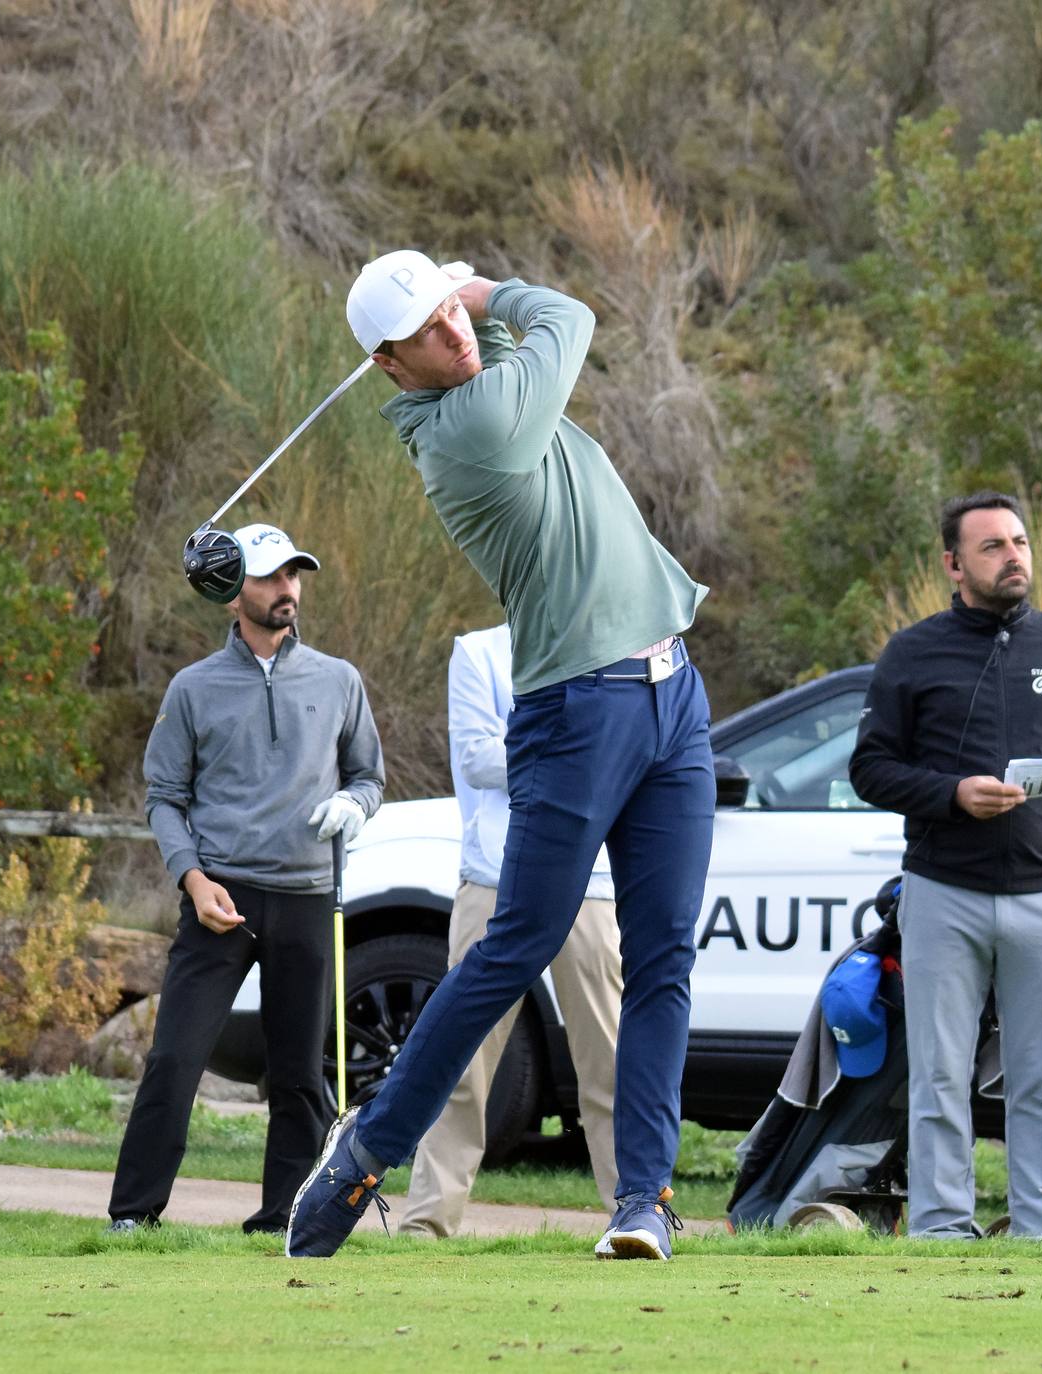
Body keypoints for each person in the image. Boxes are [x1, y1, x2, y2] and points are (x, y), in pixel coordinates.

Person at [287, 252, 711, 1261]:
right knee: (514, 949)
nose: (454, 333)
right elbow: (564, 312)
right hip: (578, 712)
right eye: (430, 330)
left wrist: (455, 301)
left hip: (673, 695)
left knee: (662, 957)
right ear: (391, 367)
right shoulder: (469, 432)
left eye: (451, 315)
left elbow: (529, 344)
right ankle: (365, 1153)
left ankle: (641, 1200)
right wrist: (477, 289)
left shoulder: (489, 390)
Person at [847, 491, 1042, 1239]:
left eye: (1020, 542)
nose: (1013, 557)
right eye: (993, 547)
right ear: (953, 564)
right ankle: (940, 1232)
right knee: (939, 1077)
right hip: (943, 893)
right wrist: (949, 794)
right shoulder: (913, 651)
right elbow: (869, 769)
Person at [108, 523, 384, 1234]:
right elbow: (164, 798)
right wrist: (193, 882)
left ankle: (284, 1218)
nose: (287, 589)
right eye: (270, 577)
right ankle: (134, 1215)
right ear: (235, 592)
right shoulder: (194, 688)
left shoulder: (338, 679)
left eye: (294, 575)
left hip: (307, 897)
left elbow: (368, 776)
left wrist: (354, 805)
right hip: (218, 896)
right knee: (175, 1058)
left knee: (297, 1076)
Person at [398, 624, 623, 1235]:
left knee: (607, 1057)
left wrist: (539, 749)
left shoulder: (608, 648)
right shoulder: (477, 652)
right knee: (461, 1052)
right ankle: (427, 1220)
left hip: (589, 879)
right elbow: (478, 757)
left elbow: (622, 759)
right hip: (493, 876)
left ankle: (636, 1212)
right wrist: (572, 753)